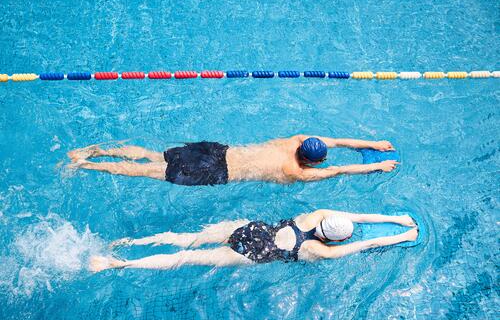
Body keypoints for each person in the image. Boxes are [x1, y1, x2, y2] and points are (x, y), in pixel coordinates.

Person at [89, 210, 418, 272]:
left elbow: (358, 216)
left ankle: (128, 243)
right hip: (259, 253)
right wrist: (403, 233)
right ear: (337, 238)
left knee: (184, 240)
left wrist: (397, 217)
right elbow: (366, 243)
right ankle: (118, 265)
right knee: (184, 260)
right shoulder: (319, 251)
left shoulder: (315, 214)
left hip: (255, 230)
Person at [68, 135, 398, 185]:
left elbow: (339, 141)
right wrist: (376, 164)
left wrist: (372, 143)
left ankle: (93, 151)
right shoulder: (296, 172)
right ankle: (86, 165)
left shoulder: (298, 140)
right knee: (148, 173)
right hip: (217, 168)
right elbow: (341, 168)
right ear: (312, 161)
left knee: (152, 156)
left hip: (218, 150)